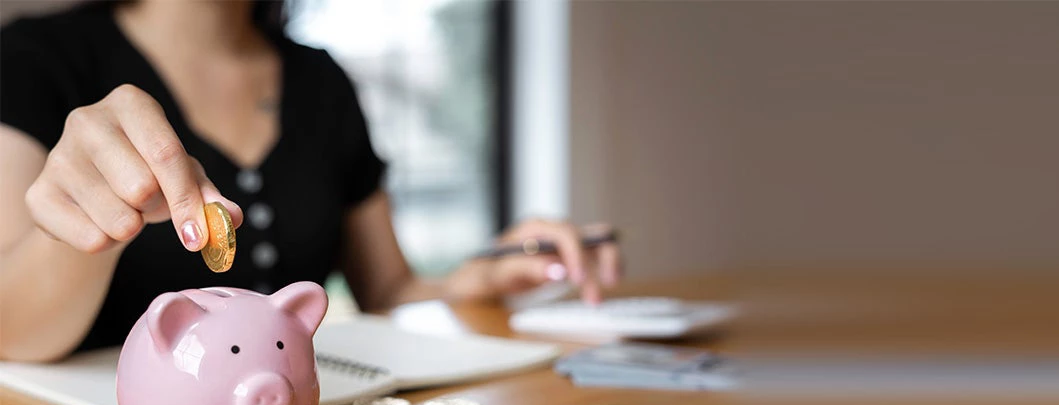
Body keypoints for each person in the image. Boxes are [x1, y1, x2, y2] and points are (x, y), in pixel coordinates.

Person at [0, 0, 621, 362]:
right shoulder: (33, 61)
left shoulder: (322, 81)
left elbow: (389, 292)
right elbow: (9, 329)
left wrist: (475, 280)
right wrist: (91, 224)